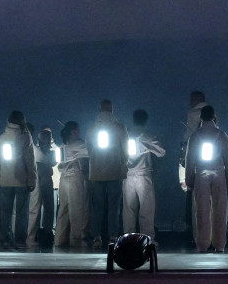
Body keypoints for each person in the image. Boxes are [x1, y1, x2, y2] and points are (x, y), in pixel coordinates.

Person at [185, 105, 228, 252]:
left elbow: (190, 159)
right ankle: (219, 244)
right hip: (219, 173)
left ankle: (202, 243)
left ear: (201, 117)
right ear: (214, 116)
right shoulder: (221, 134)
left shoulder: (195, 135)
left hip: (201, 173)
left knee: (201, 209)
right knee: (220, 209)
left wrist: (189, 178)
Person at [88, 100, 129, 249]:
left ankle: (96, 237)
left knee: (97, 206)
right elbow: (126, 148)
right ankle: (113, 236)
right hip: (115, 170)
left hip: (97, 172)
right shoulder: (119, 127)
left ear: (99, 109)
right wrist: (124, 162)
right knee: (114, 206)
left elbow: (88, 148)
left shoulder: (92, 128)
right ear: (112, 110)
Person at [0, 111, 37, 249]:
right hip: (22, 179)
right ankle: (20, 240)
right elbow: (30, 160)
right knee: (22, 212)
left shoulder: (1, 138)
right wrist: (32, 179)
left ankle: (5, 238)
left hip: (5, 179)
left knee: (5, 211)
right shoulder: (25, 136)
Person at [123, 109, 166, 238]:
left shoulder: (125, 135)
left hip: (127, 176)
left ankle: (127, 238)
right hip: (144, 175)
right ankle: (147, 238)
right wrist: (147, 147)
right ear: (145, 121)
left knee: (128, 210)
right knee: (147, 209)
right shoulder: (147, 136)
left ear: (133, 119)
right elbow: (162, 152)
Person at [54, 121, 90, 248]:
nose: (79, 132)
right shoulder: (79, 144)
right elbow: (90, 150)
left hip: (63, 179)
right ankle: (76, 239)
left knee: (63, 209)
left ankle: (59, 239)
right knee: (77, 209)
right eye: (77, 130)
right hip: (75, 178)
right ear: (72, 131)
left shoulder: (63, 145)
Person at [181, 91, 209, 237]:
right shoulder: (213, 114)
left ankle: (195, 231)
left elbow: (189, 136)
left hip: (195, 155)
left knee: (193, 196)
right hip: (212, 162)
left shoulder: (193, 113)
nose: (190, 101)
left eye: (192, 98)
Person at [27, 126, 59, 248]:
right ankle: (31, 236)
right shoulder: (34, 149)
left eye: (48, 140)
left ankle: (47, 232)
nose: (46, 143)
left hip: (46, 176)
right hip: (39, 175)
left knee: (49, 207)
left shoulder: (52, 151)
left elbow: (53, 163)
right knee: (35, 207)